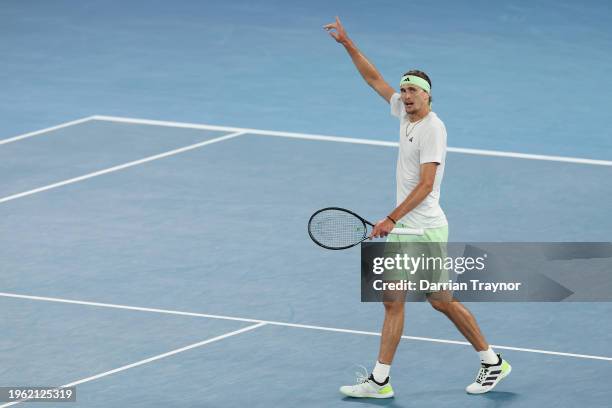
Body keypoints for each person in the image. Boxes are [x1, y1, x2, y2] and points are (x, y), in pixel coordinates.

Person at [323, 16, 511, 398]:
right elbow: (374, 80)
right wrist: (349, 45)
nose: (406, 95)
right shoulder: (404, 114)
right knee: (397, 301)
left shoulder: (432, 129)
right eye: (404, 90)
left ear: (427, 96)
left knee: (439, 303)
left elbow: (427, 184)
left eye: (413, 91)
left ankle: (491, 361)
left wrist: (391, 218)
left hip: (422, 230)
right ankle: (381, 380)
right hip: (407, 228)